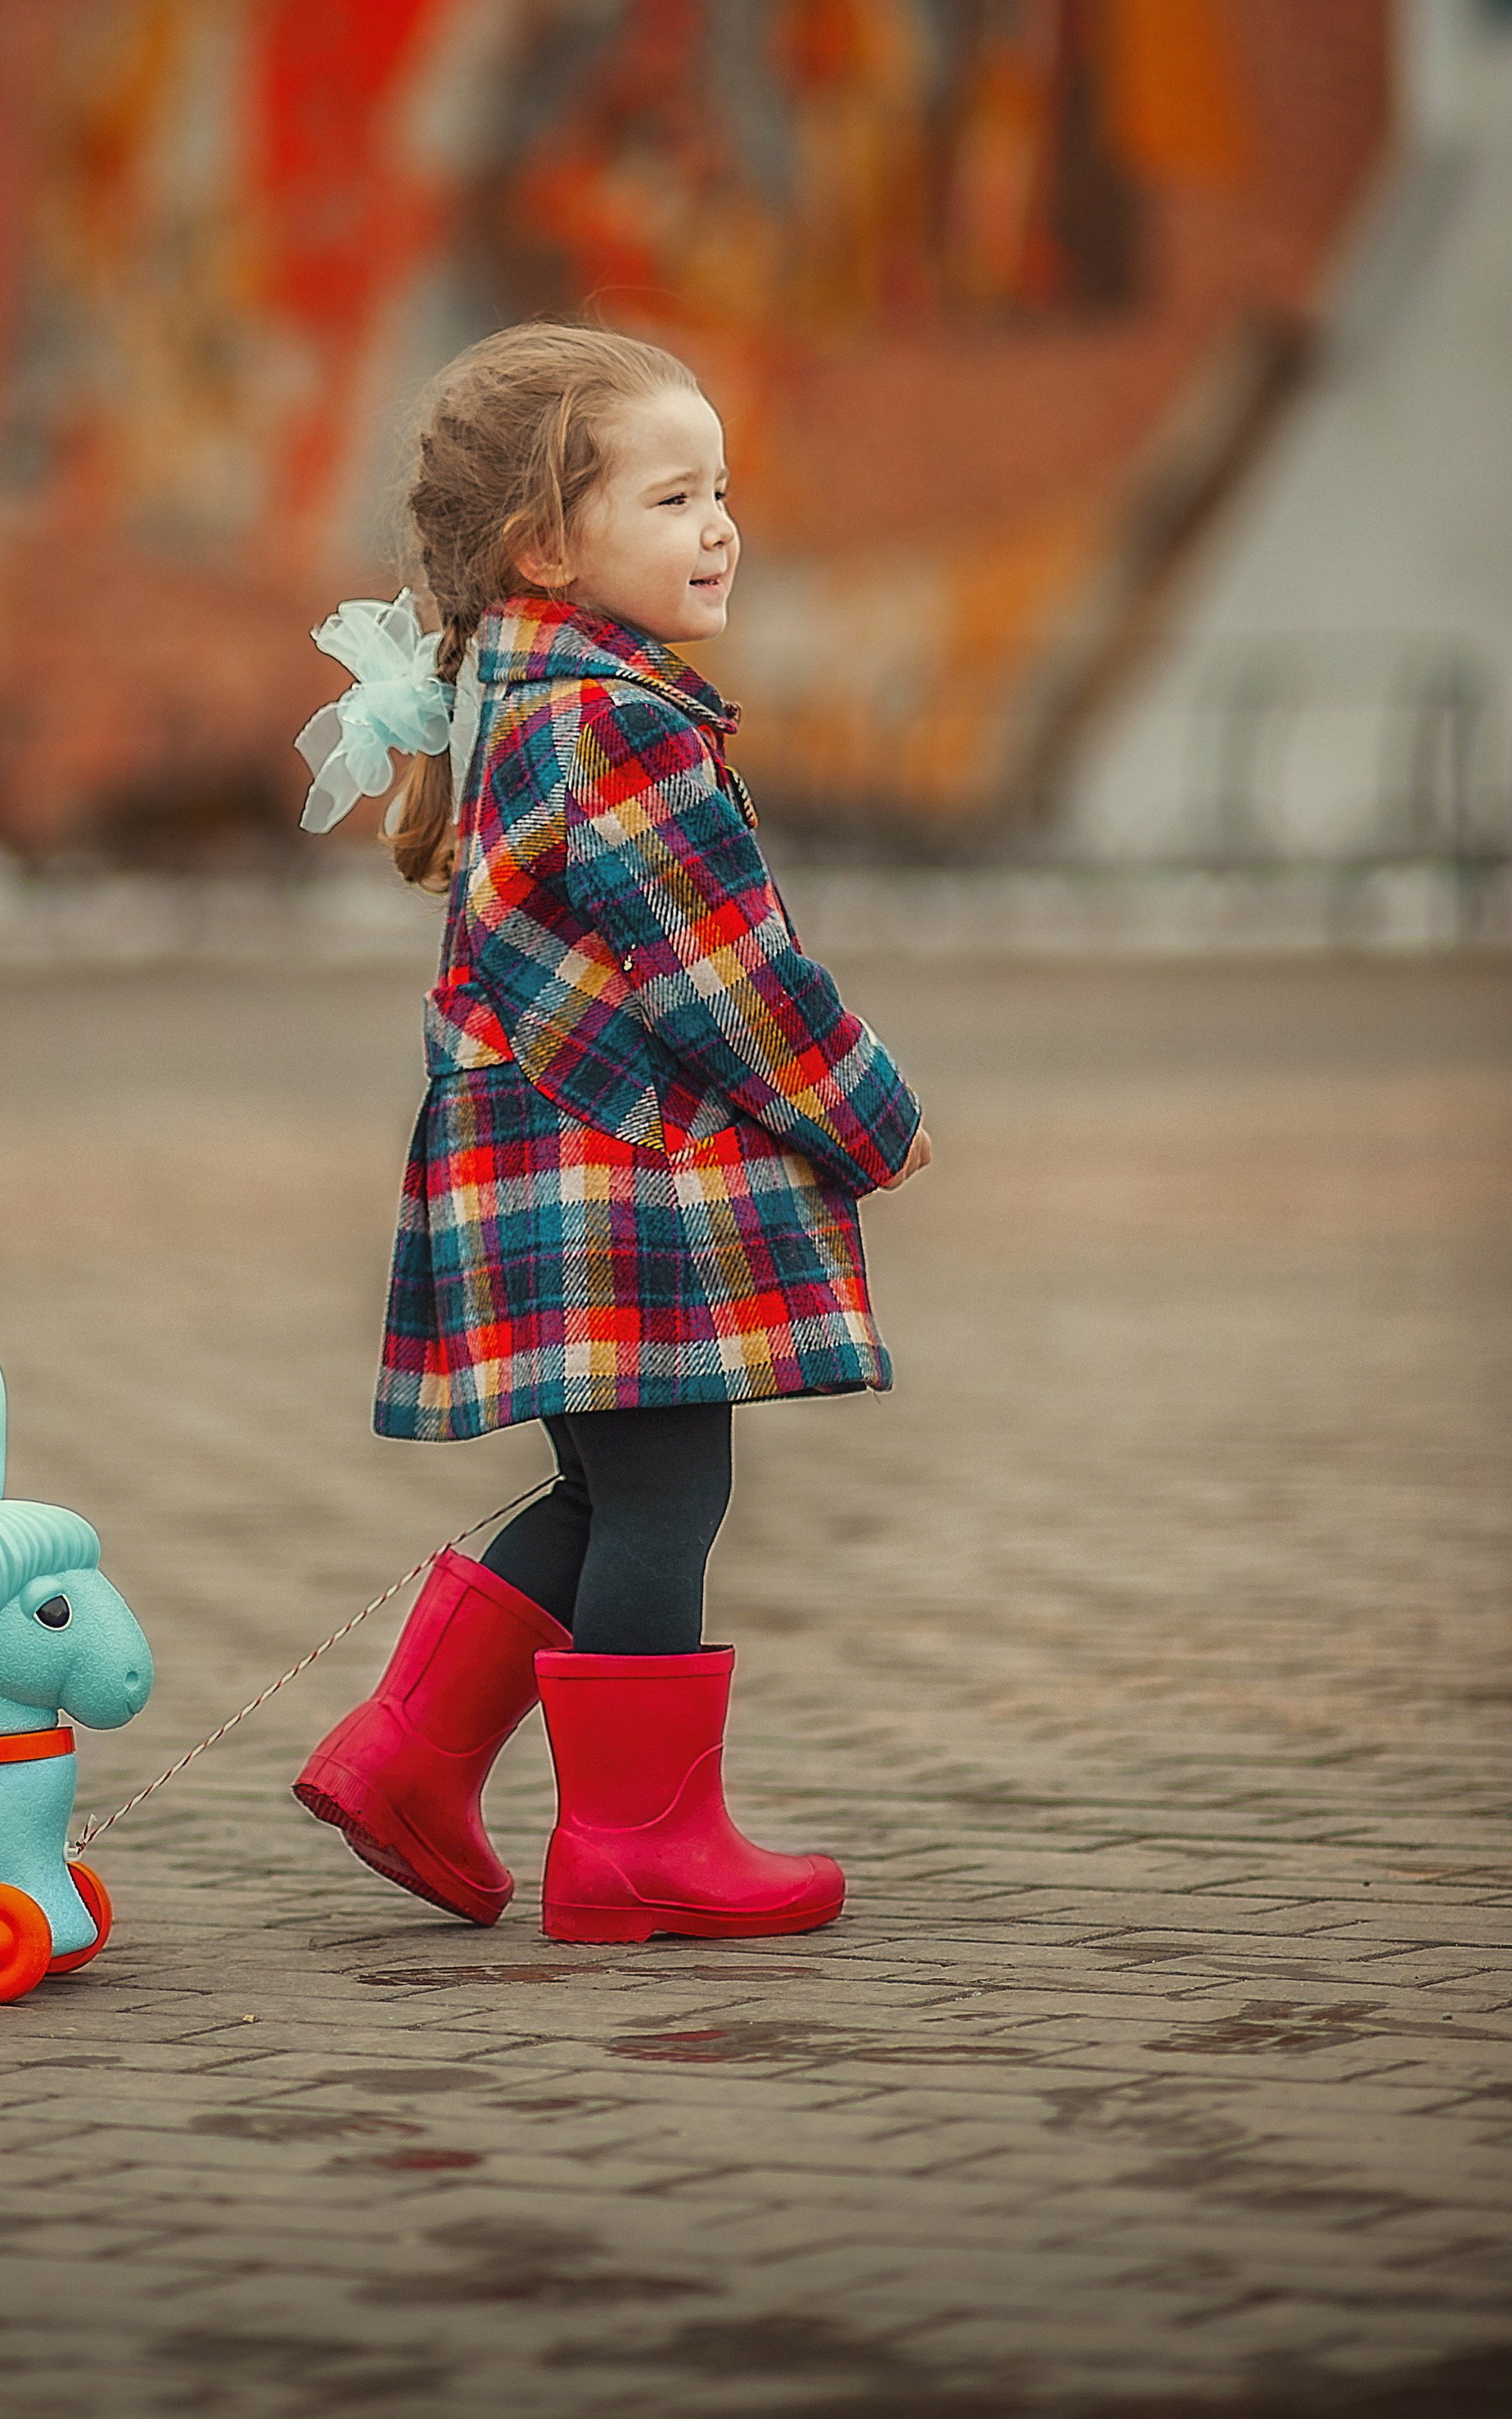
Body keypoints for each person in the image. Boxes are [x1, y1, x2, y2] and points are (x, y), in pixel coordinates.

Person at [291, 323, 930, 1943]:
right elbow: (724, 979)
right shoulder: (616, 719)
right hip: (610, 1177)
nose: (717, 526)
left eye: (720, 491)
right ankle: (638, 1842)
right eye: (670, 496)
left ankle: (407, 1763)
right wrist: (867, 1113)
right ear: (545, 543)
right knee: (660, 1500)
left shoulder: (536, 688)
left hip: (545, 1165)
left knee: (602, 1488)